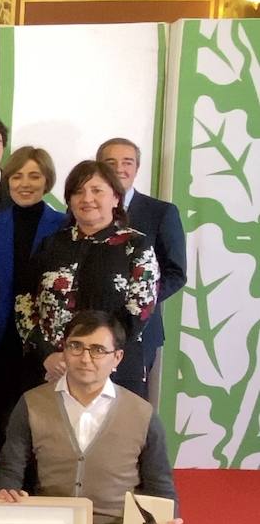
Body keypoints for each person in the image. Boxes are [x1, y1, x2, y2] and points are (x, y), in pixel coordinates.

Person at [0, 310, 181, 524]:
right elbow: (9, 466)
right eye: (76, 346)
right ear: (64, 350)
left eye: (98, 350)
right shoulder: (32, 403)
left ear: (117, 358)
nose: (85, 358)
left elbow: (159, 483)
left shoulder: (142, 412)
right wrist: (6, 493)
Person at [17, 160, 159, 398]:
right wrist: (48, 354)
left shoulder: (136, 245)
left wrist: (95, 359)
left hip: (114, 372)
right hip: (54, 370)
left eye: (97, 190)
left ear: (116, 198)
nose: (87, 198)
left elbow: (140, 310)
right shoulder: (51, 244)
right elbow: (24, 301)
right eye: (78, 191)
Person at [0, 146, 65, 466]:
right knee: (1, 412)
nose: (24, 183)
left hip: (45, 342)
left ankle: (39, 483)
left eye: (34, 175)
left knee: (43, 415)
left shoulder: (63, 225)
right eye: (17, 176)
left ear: (47, 180)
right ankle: (3, 479)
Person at [97, 137, 187, 406]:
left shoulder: (161, 212)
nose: (119, 169)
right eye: (110, 162)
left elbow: (176, 272)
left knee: (130, 411)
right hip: (92, 328)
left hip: (141, 331)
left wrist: (139, 303)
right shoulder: (85, 208)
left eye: (127, 162)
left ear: (137, 168)